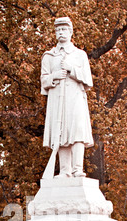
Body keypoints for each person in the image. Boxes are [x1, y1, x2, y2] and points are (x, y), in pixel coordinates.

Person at [41, 17, 94, 178]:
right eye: (58, 30)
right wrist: (55, 76)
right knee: (60, 133)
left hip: (75, 97)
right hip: (57, 99)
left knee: (77, 131)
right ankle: (65, 170)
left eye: (64, 29)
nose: (60, 32)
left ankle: (78, 169)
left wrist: (71, 69)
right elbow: (44, 81)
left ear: (70, 32)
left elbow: (88, 80)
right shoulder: (49, 56)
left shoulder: (79, 54)